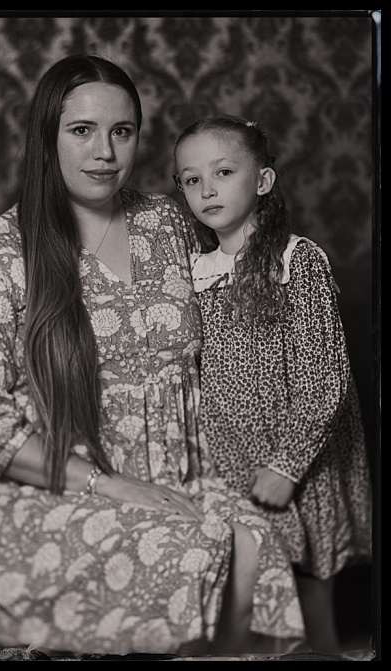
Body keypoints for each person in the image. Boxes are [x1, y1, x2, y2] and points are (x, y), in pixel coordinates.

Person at [0, 54, 306, 656]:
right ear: (46, 136)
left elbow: (243, 296)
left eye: (122, 131)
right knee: (193, 555)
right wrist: (109, 485)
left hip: (182, 474)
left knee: (259, 546)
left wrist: (305, 290)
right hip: (52, 490)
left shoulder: (166, 221)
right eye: (82, 131)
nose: (105, 151)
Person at [174, 114, 372, 654]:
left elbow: (324, 374)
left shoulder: (296, 261)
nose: (206, 188)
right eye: (191, 179)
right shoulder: (196, 270)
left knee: (309, 586)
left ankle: (326, 648)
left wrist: (288, 464)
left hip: (296, 457)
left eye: (222, 171)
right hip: (231, 457)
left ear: (262, 181)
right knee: (249, 588)